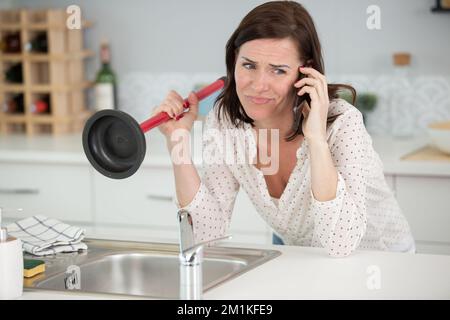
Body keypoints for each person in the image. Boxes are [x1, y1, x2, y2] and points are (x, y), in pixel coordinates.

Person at [151, 1, 415, 257]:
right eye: (249, 65)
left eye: (278, 71)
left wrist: (316, 140)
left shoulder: (343, 123)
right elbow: (206, 235)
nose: (258, 85)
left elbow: (341, 243)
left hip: (380, 261)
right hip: (304, 258)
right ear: (234, 60)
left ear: (305, 73)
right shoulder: (226, 121)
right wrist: (178, 142)